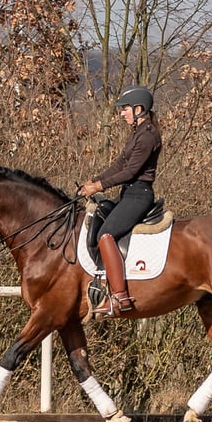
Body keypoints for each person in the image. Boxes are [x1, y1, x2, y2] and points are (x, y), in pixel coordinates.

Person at [79, 85, 162, 316]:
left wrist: (100, 186)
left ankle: (120, 297)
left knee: (106, 235)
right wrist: (93, 181)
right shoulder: (137, 132)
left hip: (139, 194)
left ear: (139, 109)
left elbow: (130, 171)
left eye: (125, 109)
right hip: (128, 193)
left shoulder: (148, 135)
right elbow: (119, 165)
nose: (121, 113)